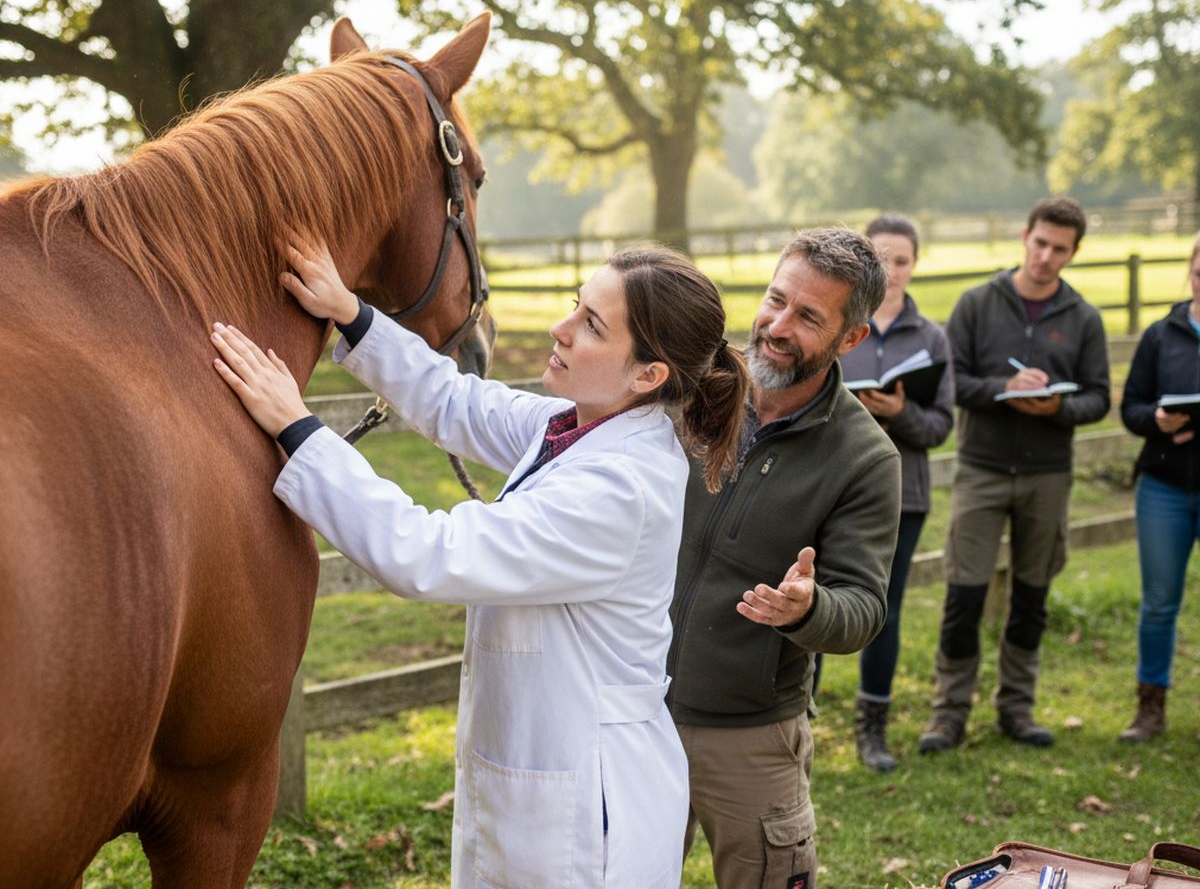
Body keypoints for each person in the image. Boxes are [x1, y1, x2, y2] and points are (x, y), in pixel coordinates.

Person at [209, 236, 749, 888]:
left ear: (648, 376)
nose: (560, 329)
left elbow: (426, 553)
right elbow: (457, 402)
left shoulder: (619, 489)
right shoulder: (577, 424)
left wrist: (298, 428)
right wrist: (350, 311)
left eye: (591, 325)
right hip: (545, 772)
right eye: (575, 304)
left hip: (586, 805)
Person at [666, 227, 900, 888]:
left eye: (808, 317)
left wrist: (808, 608)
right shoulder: (689, 390)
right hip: (632, 708)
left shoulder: (866, 458)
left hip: (751, 734)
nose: (776, 325)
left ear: (851, 337)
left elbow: (863, 606)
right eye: (776, 299)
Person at [918, 197, 1111, 754]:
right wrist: (1004, 390)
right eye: (1040, 243)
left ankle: (1017, 709)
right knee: (964, 594)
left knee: (1032, 595)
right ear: (1025, 237)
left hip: (1048, 474)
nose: (1046, 256)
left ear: (1074, 253)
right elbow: (953, 383)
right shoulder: (977, 304)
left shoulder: (1084, 318)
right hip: (981, 469)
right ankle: (948, 713)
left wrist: (1058, 407)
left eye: (1059, 249)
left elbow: (1099, 397)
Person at [839, 214, 955, 771]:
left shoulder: (932, 338)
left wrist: (901, 411)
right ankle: (799, 718)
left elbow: (939, 427)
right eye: (882, 259)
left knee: (883, 610)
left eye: (902, 260)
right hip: (834, 488)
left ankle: (873, 728)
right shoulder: (838, 326)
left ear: (915, 264)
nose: (892, 271)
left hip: (903, 495)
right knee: (809, 601)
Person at [1117, 231, 1200, 743]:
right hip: (1164, 486)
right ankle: (1150, 708)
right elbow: (1131, 408)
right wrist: (1157, 420)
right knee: (1158, 603)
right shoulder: (1159, 335)